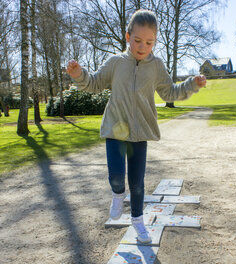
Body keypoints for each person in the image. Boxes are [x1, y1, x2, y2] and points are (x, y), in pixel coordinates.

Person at [66, 9, 206, 244]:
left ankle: (138, 223)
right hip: (115, 129)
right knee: (117, 178)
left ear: (155, 42)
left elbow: (170, 91)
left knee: (138, 184)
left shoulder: (156, 66)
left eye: (149, 42)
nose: (142, 46)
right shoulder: (116, 62)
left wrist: (192, 84)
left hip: (140, 133)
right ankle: (118, 196)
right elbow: (94, 84)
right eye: (137, 40)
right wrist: (79, 74)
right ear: (127, 36)